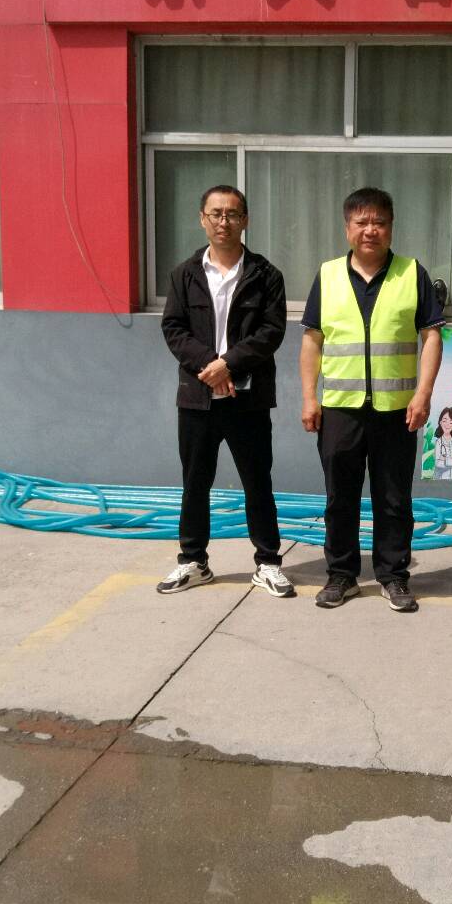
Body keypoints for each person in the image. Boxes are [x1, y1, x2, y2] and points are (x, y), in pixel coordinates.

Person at [299, 187, 444, 612]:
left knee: (394, 498)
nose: (370, 230)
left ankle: (393, 576)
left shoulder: (411, 273)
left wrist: (423, 393)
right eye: (361, 222)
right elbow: (312, 341)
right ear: (347, 228)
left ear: (391, 227)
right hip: (340, 408)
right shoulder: (327, 275)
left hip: (396, 411)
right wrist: (309, 397)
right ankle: (341, 576)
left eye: (379, 222)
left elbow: (432, 336)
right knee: (339, 498)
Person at [159, 185, 294, 598]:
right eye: (215, 214)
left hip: (247, 400)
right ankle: (193, 561)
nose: (224, 221)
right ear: (202, 219)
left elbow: (271, 331)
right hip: (197, 399)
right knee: (194, 483)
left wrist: (228, 364)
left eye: (232, 214)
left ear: (245, 220)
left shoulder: (266, 275)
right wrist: (210, 366)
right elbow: (173, 328)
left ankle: (268, 562)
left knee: (257, 481)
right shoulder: (184, 274)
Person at [433, 406, 452, 480]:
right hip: (440, 478)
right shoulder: (438, 442)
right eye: (444, 421)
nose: (447, 425)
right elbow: (437, 463)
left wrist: (445, 459)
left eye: (451, 422)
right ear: (440, 423)